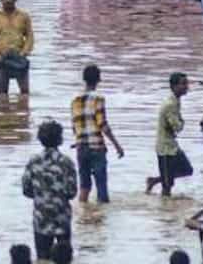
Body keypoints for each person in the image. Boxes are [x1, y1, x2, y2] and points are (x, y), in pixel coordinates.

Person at [22, 120, 78, 261]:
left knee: (42, 258)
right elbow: (72, 192)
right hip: (62, 219)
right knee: (64, 258)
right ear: (59, 139)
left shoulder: (33, 161)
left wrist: (41, 196)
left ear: (40, 139)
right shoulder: (66, 162)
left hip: (41, 219)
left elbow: (26, 190)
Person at [70, 64, 125, 203]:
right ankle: (101, 220)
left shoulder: (75, 100)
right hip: (97, 148)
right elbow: (102, 124)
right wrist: (117, 145)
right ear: (98, 80)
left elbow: (74, 125)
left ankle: (83, 218)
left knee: (84, 187)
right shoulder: (98, 99)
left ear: (84, 79)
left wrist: (78, 140)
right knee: (101, 188)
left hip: (81, 147)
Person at [146, 72, 193, 196]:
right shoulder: (170, 105)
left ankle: (154, 180)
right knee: (167, 187)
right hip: (165, 148)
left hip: (172, 145)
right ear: (174, 86)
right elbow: (177, 127)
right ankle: (165, 212)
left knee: (187, 170)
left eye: (186, 83)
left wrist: (180, 122)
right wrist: (182, 122)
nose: (186, 86)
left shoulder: (175, 101)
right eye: (183, 84)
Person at [0, 0, 34, 95]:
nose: (8, 1)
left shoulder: (24, 16)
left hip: (19, 59)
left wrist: (24, 53)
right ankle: (3, 111)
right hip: (2, 58)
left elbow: (30, 37)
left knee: (25, 92)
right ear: (1, 0)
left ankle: (23, 110)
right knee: (2, 93)